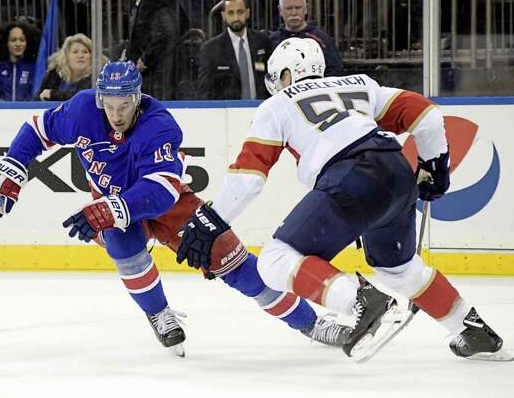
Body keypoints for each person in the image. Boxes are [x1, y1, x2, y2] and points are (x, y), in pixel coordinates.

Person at [0, 60, 394, 357]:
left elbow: (160, 191)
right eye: (109, 103)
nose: (115, 113)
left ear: (137, 98)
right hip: (115, 205)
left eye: (124, 104)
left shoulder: (159, 124)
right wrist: (13, 169)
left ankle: (311, 323)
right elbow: (37, 130)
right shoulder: (82, 109)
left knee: (238, 269)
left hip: (166, 205)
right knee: (123, 248)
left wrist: (107, 210)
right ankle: (159, 314)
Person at [177, 38, 511, 361]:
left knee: (274, 260)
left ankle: (361, 301)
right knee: (398, 267)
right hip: (396, 171)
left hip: (349, 179)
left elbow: (248, 180)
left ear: (285, 74)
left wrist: (212, 220)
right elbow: (428, 115)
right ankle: (469, 327)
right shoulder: (360, 84)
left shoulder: (276, 104)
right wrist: (434, 164)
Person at [197, 0, 272, 100]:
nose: (236, 17)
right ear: (223, 16)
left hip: (261, 109)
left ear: (248, 13)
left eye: (240, 12)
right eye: (231, 13)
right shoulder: (211, 49)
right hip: (228, 113)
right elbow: (204, 92)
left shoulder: (262, 41)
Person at [119, 0, 180, 100]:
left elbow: (165, 33)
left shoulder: (151, 0)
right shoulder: (145, 0)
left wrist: (145, 60)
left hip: (156, 77)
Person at [269, 0, 343, 77]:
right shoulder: (273, 40)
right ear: (280, 10)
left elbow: (335, 69)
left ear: (306, 8)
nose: (294, 13)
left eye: (298, 8)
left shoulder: (321, 38)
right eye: (289, 8)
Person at [0, 21, 40, 101]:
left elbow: (36, 95)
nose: (18, 44)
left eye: (22, 40)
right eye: (13, 40)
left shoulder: (34, 67)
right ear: (6, 43)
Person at [35, 33, 94, 101]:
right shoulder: (54, 74)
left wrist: (53, 95)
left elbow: (82, 99)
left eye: (85, 52)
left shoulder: (97, 77)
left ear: (92, 56)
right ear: (66, 56)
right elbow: (37, 98)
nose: (80, 56)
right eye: (75, 52)